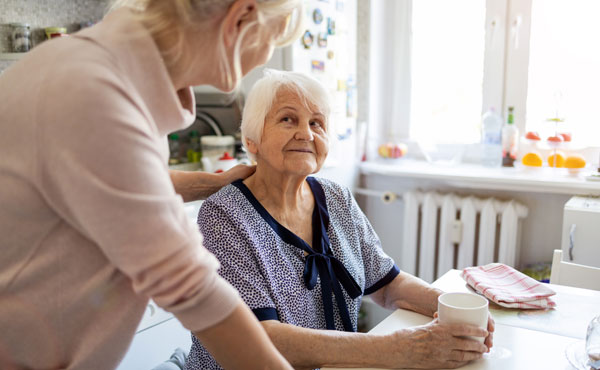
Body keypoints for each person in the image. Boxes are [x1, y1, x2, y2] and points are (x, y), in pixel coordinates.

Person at [0, 1, 304, 369]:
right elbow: (192, 289)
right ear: (240, 19)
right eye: (273, 39)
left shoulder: (109, 73)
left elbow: (129, 182)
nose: (266, 56)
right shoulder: (94, 94)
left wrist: (216, 183)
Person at [186, 70, 495, 370]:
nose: (306, 133)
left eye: (317, 123)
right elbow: (260, 339)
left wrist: (450, 308)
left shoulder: (336, 199)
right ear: (252, 140)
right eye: (287, 119)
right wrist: (400, 348)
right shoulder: (223, 216)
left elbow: (388, 284)